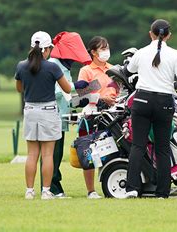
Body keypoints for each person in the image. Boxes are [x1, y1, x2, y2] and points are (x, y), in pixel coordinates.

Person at [123, 19, 177, 199]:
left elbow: (127, 71)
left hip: (142, 100)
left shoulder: (142, 52)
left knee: (138, 145)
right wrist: (170, 84)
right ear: (169, 35)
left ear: (150, 33)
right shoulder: (175, 54)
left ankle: (132, 188)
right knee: (162, 148)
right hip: (164, 102)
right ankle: (162, 192)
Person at [15, 31, 72, 200]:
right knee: (47, 154)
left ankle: (29, 191)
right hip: (48, 111)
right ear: (47, 49)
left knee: (32, 154)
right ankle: (46, 191)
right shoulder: (52, 67)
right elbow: (67, 89)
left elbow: (19, 89)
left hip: (30, 110)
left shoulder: (21, 66)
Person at [46, 31, 92, 198]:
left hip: (61, 117)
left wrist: (78, 101)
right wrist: (76, 87)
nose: (73, 61)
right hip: (52, 117)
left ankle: (54, 186)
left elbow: (65, 96)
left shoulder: (63, 66)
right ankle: (52, 187)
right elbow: (58, 91)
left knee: (56, 154)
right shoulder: (54, 65)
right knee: (52, 154)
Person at [77, 36, 118, 199]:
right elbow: (81, 95)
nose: (106, 51)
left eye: (107, 47)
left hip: (113, 114)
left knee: (113, 149)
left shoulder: (113, 69)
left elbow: (118, 89)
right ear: (93, 52)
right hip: (92, 114)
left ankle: (112, 183)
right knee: (89, 152)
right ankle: (91, 191)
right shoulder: (86, 70)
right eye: (102, 48)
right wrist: (102, 98)